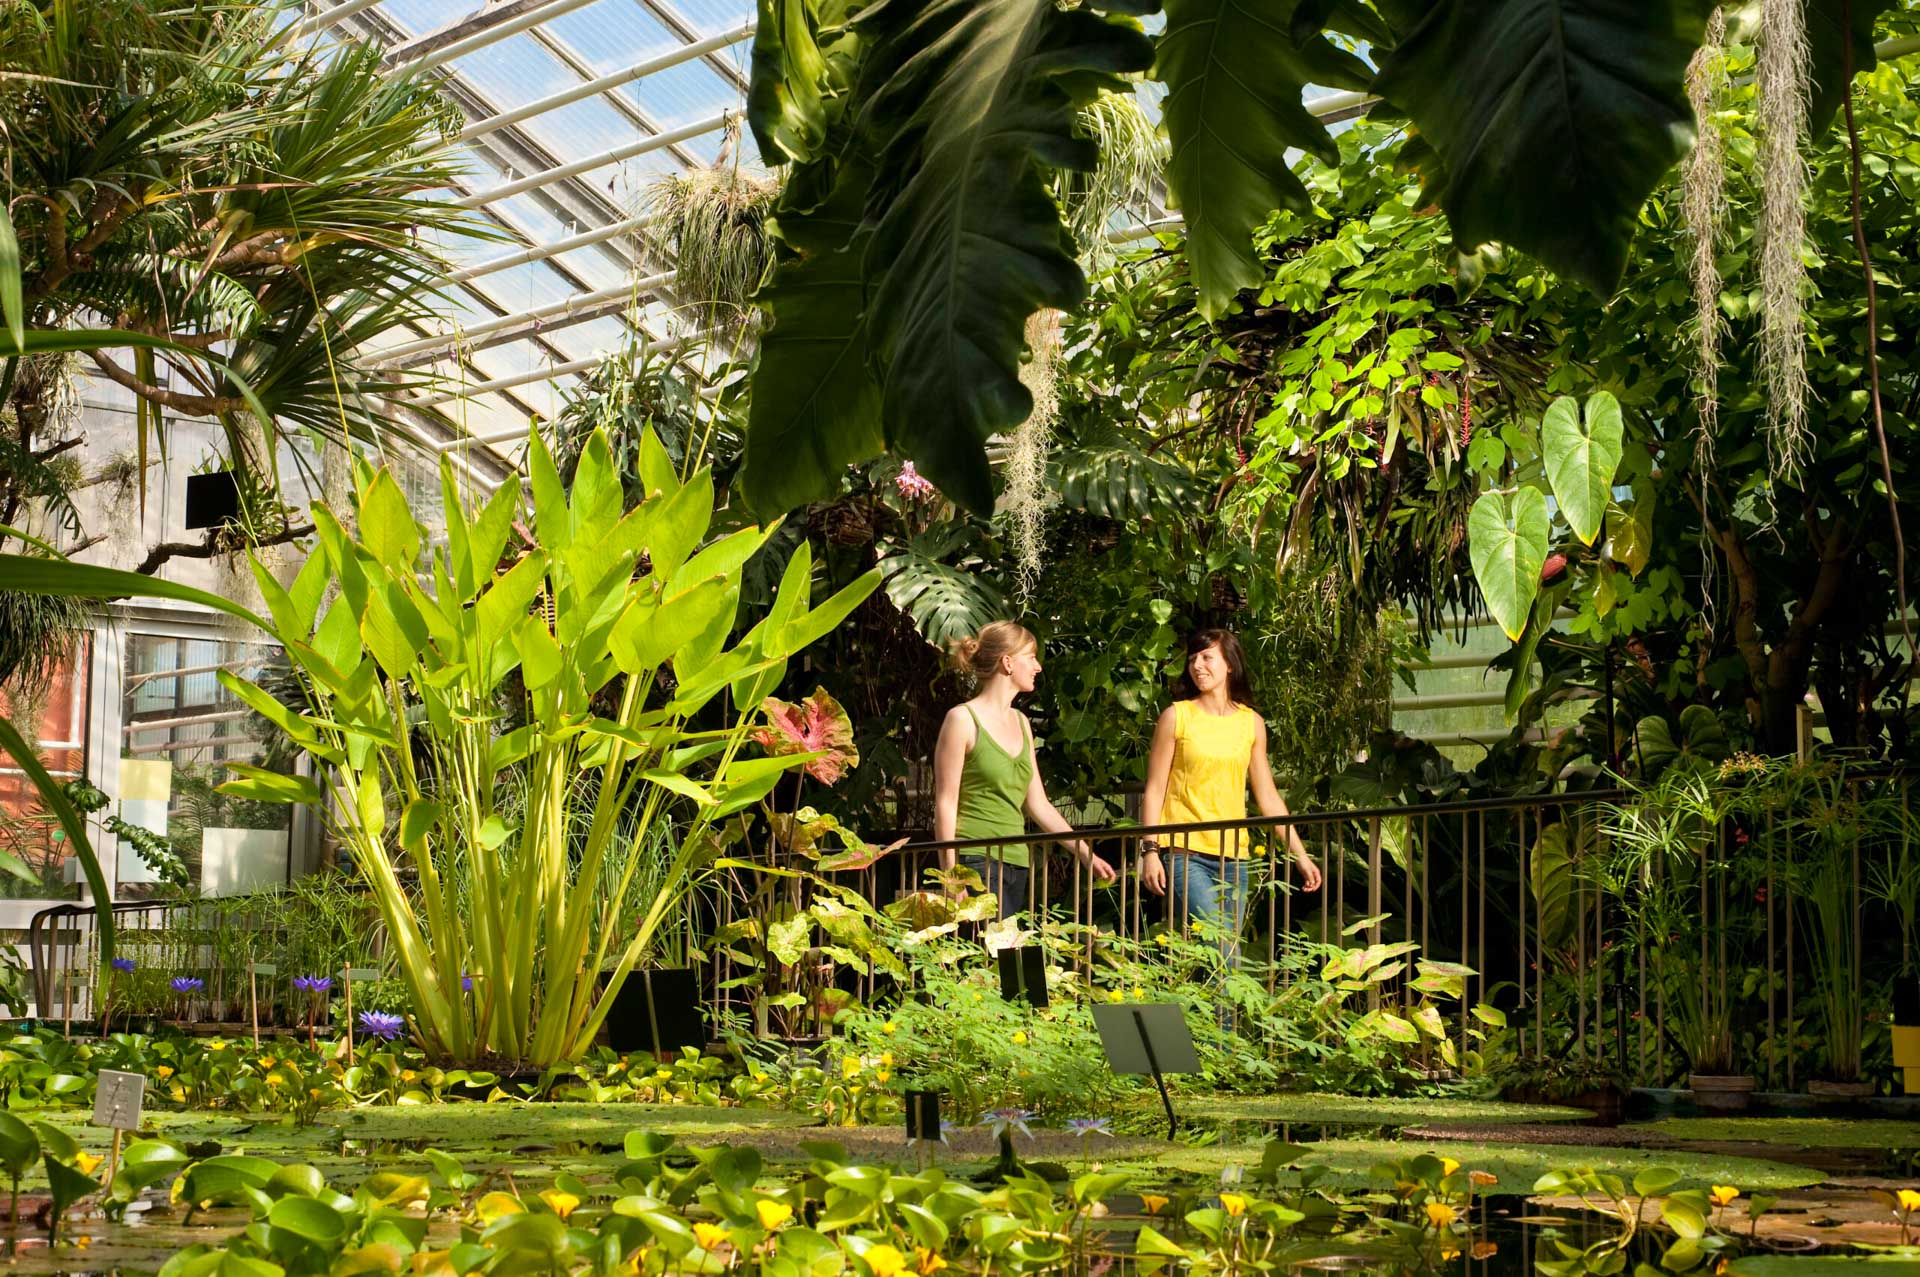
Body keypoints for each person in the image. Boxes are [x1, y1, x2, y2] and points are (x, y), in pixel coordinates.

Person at [1140, 628, 1324, 959]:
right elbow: (1154, 789)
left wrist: (1301, 855)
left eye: (1207, 657)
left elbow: (1268, 796)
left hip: (1234, 860)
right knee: (1222, 950)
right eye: (1193, 659)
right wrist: (1150, 851)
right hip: (1184, 853)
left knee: (1221, 959)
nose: (1198, 666)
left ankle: (1207, 1012)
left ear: (1229, 665)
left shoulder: (1251, 723)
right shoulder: (1176, 717)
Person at [932, 622, 1117, 915]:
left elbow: (1038, 803)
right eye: (1031, 657)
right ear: (1008, 662)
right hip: (976, 858)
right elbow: (945, 802)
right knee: (988, 955)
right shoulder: (962, 720)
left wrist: (1085, 853)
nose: (1038, 667)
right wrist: (952, 878)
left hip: (1016, 861)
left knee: (1005, 955)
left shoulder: (1021, 723)